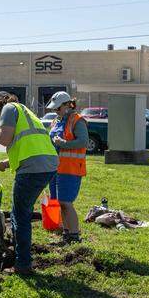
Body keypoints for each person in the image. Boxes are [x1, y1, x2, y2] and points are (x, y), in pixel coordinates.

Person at [0, 91, 58, 274]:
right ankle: (20, 253)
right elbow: (27, 148)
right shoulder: (26, 112)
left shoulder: (8, 108)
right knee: (23, 210)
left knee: (20, 215)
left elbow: (4, 138)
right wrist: (2, 165)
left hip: (32, 169)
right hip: (48, 165)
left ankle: (22, 263)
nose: (0, 120)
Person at [45, 91, 87, 244]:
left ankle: (74, 235)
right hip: (56, 169)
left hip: (70, 169)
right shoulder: (57, 120)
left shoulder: (77, 120)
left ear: (67, 105)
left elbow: (83, 142)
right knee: (60, 202)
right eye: (54, 109)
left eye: (57, 108)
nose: (55, 111)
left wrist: (63, 144)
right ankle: (66, 233)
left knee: (66, 202)